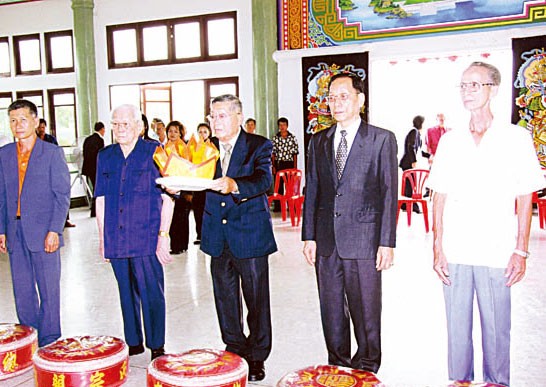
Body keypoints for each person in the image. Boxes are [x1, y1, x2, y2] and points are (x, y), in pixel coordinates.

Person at [428, 62, 545, 386]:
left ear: (493, 89)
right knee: (456, 331)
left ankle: (497, 382)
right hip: (456, 250)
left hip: (496, 249)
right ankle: (459, 382)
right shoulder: (451, 141)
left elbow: (525, 196)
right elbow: (439, 195)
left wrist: (520, 250)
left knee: (496, 329)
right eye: (463, 85)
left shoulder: (515, 138)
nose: (467, 91)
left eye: (475, 85)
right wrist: (438, 246)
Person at [302, 72, 397, 374]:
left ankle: (367, 367)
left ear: (361, 99)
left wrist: (387, 242)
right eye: (331, 97)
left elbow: (388, 193)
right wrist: (309, 236)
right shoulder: (318, 141)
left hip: (365, 240)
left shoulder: (381, 139)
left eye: (344, 96)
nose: (336, 102)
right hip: (327, 241)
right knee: (331, 311)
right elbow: (313, 190)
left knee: (366, 311)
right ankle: (338, 366)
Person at [201, 94, 277, 382]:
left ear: (238, 117)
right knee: (225, 298)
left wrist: (235, 185)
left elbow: (264, 180)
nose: (214, 121)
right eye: (212, 116)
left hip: (250, 235)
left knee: (256, 300)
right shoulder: (206, 149)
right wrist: (177, 187)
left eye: (221, 115)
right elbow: (195, 180)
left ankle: (257, 356)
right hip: (217, 236)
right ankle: (234, 348)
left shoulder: (258, 145)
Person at [95, 104, 175, 361]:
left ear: (139, 127)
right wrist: (101, 239)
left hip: (146, 237)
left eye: (125, 124)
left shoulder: (155, 152)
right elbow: (101, 199)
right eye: (115, 124)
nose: (119, 129)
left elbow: (169, 198)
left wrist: (163, 237)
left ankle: (157, 344)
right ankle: (134, 341)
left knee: (152, 292)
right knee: (125, 292)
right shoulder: (105, 156)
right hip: (116, 236)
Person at [0, 99, 71, 347]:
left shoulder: (51, 153)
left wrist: (55, 230)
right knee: (22, 290)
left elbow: (62, 196)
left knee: (48, 288)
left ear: (35, 121)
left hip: (44, 232)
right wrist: (1, 229)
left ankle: (50, 339)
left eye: (23, 119)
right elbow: (1, 196)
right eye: (13, 121)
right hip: (14, 231)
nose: (18, 125)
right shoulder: (4, 154)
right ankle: (29, 336)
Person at [166, 120, 191, 254]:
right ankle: (175, 245)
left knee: (181, 217)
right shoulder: (165, 147)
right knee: (171, 217)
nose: (173, 134)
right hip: (169, 186)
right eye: (170, 131)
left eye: (176, 131)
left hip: (183, 187)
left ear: (181, 133)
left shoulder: (184, 147)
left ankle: (181, 245)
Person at [271, 117, 299, 212]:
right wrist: (273, 166)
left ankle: (291, 206)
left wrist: (295, 167)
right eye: (280, 125)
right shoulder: (275, 138)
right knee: (278, 187)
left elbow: (295, 153)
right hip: (279, 164)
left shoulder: (292, 138)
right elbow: (273, 154)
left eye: (284, 125)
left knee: (290, 187)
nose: (282, 127)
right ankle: (278, 207)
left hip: (289, 164)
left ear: (287, 126)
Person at [399, 115, 426, 213]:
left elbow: (420, 151)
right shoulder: (414, 132)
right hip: (408, 162)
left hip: (408, 162)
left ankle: (406, 205)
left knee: (409, 185)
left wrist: (430, 156)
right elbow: (411, 147)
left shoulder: (417, 133)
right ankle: (412, 205)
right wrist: (413, 161)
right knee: (412, 184)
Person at [192, 122, 213, 245]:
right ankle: (200, 234)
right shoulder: (193, 146)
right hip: (197, 182)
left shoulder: (213, 145)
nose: (202, 134)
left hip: (209, 182)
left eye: (205, 132)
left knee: (209, 209)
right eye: (200, 131)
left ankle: (209, 234)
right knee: (198, 209)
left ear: (209, 133)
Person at [82, 121, 105, 217]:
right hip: (96, 168)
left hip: (88, 168)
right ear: (102, 129)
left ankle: (94, 210)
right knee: (97, 188)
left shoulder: (87, 139)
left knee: (94, 188)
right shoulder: (100, 140)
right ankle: (94, 210)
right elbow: (101, 156)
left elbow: (84, 153)